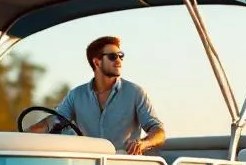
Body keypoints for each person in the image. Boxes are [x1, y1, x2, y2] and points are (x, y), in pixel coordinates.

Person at [29, 36, 166, 155]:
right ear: (97, 62)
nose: (118, 60)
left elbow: (159, 131)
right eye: (113, 56)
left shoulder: (136, 93)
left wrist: (142, 143)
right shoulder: (76, 95)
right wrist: (26, 134)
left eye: (121, 56)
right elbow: (54, 121)